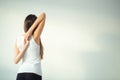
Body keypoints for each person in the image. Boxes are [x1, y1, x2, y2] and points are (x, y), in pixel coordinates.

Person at [14, 12, 46, 80]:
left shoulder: (18, 39)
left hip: (20, 74)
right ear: (36, 25)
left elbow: (15, 61)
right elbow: (43, 15)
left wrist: (24, 48)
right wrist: (30, 31)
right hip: (34, 73)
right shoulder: (35, 37)